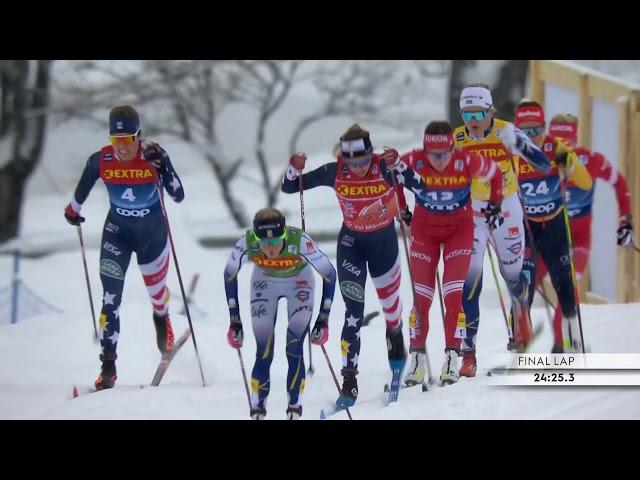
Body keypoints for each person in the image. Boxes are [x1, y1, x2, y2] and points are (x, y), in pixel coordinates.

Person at [281, 124, 430, 408]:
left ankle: (397, 361)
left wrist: (399, 165)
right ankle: (349, 382)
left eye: (363, 161)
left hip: (384, 244)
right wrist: (293, 166)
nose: (359, 168)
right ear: (343, 159)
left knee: (391, 312)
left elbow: (421, 187)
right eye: (352, 163)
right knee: (353, 314)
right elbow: (290, 186)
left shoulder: (384, 167)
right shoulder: (335, 171)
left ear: (371, 154)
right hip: (351, 245)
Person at [64, 105, 185, 390]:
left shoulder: (153, 155)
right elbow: (81, 190)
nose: (121, 146)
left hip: (152, 236)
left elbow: (178, 194)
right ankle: (108, 366)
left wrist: (164, 165)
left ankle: (161, 316)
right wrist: (73, 211)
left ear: (138, 137)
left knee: (156, 294)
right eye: (115, 139)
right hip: (117, 234)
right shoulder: (101, 160)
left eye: (127, 140)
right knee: (110, 298)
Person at [395, 120, 503, 385]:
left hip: (459, 231)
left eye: (444, 154)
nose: (439, 161)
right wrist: (403, 208)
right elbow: (393, 176)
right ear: (424, 150)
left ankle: (452, 356)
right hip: (424, 232)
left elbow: (496, 173)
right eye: (433, 155)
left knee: (454, 297)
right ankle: (417, 359)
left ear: (452, 149)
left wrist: (495, 204)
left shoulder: (466, 160)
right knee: (422, 300)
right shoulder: (414, 161)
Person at [455, 84, 551, 374]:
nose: (472, 121)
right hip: (472, 211)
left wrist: (521, 144)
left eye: (479, 113)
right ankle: (468, 353)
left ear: (491, 111)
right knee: (469, 281)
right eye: (466, 114)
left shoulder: (506, 131)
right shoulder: (456, 138)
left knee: (513, 275)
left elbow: (543, 164)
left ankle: (519, 329)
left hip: (506, 207)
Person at [223, 208, 336, 420]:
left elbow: (330, 274)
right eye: (264, 243)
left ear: (283, 234)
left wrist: (323, 319)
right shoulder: (246, 242)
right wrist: (234, 320)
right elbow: (229, 274)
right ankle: (258, 408)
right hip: (265, 282)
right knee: (263, 349)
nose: (270, 247)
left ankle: (294, 408)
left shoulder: (300, 241)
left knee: (294, 347)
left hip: (299, 282)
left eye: (275, 241)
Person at [534, 112, 633, 351]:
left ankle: (562, 343)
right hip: (548, 233)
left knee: (568, 285)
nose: (563, 149)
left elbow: (619, 182)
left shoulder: (591, 160)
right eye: (558, 141)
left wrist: (625, 220)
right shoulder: (537, 159)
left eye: (568, 142)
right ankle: (519, 343)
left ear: (576, 140)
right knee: (526, 284)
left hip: (578, 236)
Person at [513, 101, 593, 352]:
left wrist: (570, 161)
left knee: (565, 284)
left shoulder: (554, 147)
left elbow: (586, 182)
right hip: (528, 229)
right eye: (526, 132)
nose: (532, 138)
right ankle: (519, 342)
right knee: (522, 288)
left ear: (544, 128)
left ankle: (571, 343)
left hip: (556, 226)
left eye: (536, 130)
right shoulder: (512, 152)